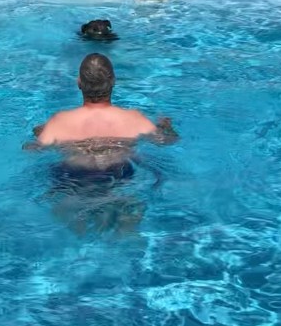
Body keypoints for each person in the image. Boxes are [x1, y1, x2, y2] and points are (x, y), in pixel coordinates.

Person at [26, 53, 178, 234]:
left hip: (72, 181)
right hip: (119, 178)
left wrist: (38, 133)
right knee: (127, 224)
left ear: (79, 82)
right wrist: (167, 127)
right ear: (113, 81)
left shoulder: (59, 121)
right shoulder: (134, 118)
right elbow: (166, 141)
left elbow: (32, 150)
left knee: (72, 229)